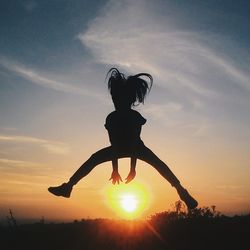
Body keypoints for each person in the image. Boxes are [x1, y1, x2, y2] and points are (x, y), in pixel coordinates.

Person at [48, 68, 198, 209]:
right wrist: (115, 170)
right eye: (114, 98)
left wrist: (133, 169)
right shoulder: (112, 118)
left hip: (137, 148)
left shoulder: (134, 117)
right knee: (94, 158)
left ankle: (182, 192)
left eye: (118, 98)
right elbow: (113, 145)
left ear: (127, 99)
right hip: (119, 148)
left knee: (158, 163)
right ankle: (68, 187)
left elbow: (134, 143)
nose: (115, 101)